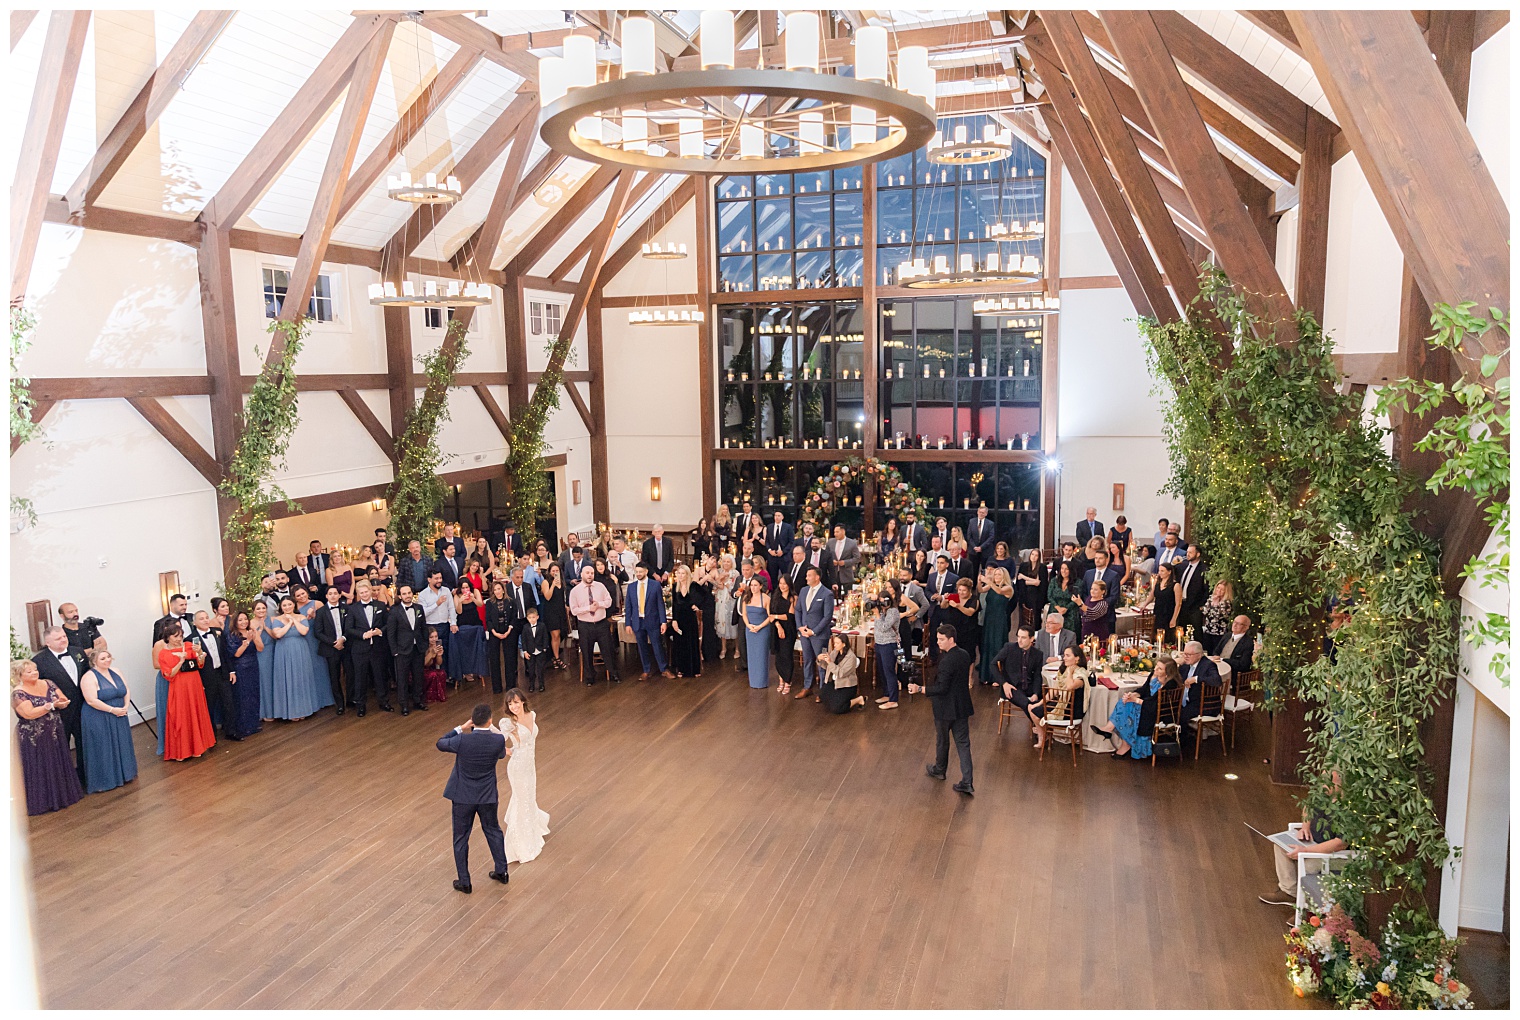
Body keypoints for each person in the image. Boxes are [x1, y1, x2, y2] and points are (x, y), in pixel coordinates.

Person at [437, 703, 510, 894]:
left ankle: (465, 881)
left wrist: (460, 728)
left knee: (461, 838)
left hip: (462, 797)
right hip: (487, 796)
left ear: (472, 721)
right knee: (493, 830)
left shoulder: (462, 740)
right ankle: (502, 871)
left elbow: (440, 742)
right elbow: (501, 755)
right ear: (490, 720)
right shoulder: (497, 741)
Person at [908, 625, 975, 795]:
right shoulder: (964, 655)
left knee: (942, 741)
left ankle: (940, 770)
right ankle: (967, 781)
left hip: (945, 709)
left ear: (951, 639)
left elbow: (942, 688)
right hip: (961, 707)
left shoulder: (946, 661)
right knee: (963, 744)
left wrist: (920, 689)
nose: (938, 642)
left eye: (941, 639)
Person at [12, 658, 85, 813]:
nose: (34, 673)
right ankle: (43, 802)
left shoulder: (48, 683)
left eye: (35, 670)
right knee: (40, 766)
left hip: (54, 730)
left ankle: (62, 796)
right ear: (20, 675)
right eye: (29, 671)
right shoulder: (18, 693)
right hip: (34, 735)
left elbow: (63, 699)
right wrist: (50, 706)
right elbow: (29, 714)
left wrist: (61, 703)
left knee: (56, 761)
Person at [1260, 797, 1348, 909]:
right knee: (1281, 847)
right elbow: (1308, 806)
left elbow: (1340, 844)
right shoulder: (1322, 789)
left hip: (1334, 854)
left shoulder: (1350, 806)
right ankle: (1289, 893)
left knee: (1308, 865)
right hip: (1311, 842)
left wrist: (1305, 851)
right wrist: (1305, 826)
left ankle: (1305, 907)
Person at [498, 687, 551, 865]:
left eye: (516, 702)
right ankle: (519, 843)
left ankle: (532, 827)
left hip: (530, 765)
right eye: (510, 704)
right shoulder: (508, 723)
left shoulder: (532, 715)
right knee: (521, 800)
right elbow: (497, 742)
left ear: (523, 701)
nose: (514, 706)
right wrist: (509, 751)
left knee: (529, 797)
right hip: (518, 767)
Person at [1093, 657, 1181, 760]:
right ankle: (1113, 732)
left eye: (1160, 669)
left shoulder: (1171, 684)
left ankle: (1119, 739)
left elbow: (1155, 705)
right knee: (1124, 702)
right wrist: (1133, 694)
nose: (1156, 669)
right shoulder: (1153, 676)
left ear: (1168, 673)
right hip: (1148, 707)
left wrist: (1136, 700)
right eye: (1156, 666)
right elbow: (1143, 690)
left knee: (1130, 708)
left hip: (1159, 713)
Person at [33, 627, 89, 784]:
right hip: (59, 712)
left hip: (82, 707)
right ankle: (65, 782)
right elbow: (39, 688)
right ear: (48, 642)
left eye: (64, 636)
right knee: (60, 746)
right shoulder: (39, 661)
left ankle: (85, 777)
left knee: (84, 743)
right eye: (59, 638)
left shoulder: (77, 651)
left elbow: (86, 674)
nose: (64, 639)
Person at [78, 648, 138, 794]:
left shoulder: (116, 671)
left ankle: (124, 774)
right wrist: (113, 710)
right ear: (94, 662)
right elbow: (91, 700)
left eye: (108, 657)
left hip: (119, 714)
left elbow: (126, 689)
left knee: (121, 743)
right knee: (103, 746)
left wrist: (125, 706)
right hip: (99, 716)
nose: (107, 660)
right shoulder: (89, 677)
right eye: (103, 659)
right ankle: (105, 780)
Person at [157, 624, 215, 760]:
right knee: (180, 715)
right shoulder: (164, 654)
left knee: (195, 712)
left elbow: (200, 663)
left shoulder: (189, 645)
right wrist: (180, 661)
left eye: (180, 636)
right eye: (175, 636)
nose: (179, 639)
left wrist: (200, 652)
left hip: (194, 684)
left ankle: (198, 746)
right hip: (178, 687)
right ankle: (182, 750)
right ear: (168, 638)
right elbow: (169, 674)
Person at [191, 609, 239, 740]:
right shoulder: (190, 639)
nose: (206, 620)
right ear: (194, 622)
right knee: (209, 707)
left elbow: (225, 654)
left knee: (228, 703)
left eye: (207, 617)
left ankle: (231, 731)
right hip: (206, 678)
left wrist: (231, 671)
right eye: (201, 618)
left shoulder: (217, 632)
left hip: (222, 673)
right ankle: (210, 735)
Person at [1029, 645, 1089, 752]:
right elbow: (1054, 691)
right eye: (1064, 655)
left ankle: (1043, 736)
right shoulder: (1063, 670)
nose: (1064, 658)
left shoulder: (1081, 673)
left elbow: (1070, 686)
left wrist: (1070, 673)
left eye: (1067, 655)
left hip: (1072, 709)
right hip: (1062, 703)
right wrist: (1039, 703)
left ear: (1077, 658)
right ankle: (1044, 735)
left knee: (1035, 712)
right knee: (1032, 708)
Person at [568, 565, 619, 685]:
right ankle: (590, 677)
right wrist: (588, 608)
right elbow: (574, 610)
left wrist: (599, 604)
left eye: (591, 573)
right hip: (585, 625)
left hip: (601, 623)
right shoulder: (575, 591)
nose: (590, 575)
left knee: (608, 650)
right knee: (586, 652)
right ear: (581, 574)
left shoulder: (600, 586)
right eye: (587, 573)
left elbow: (609, 601)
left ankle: (614, 673)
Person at [346, 583, 392, 716]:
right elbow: (349, 629)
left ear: (371, 591)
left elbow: (388, 623)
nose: (364, 594)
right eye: (361, 593)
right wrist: (362, 635)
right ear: (358, 594)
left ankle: (384, 702)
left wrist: (380, 631)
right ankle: (360, 706)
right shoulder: (353, 609)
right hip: (360, 649)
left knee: (380, 676)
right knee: (360, 678)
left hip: (378, 647)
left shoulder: (380, 606)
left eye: (366, 592)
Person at [625, 563, 675, 680]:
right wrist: (628, 623)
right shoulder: (631, 587)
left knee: (657, 645)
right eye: (636, 572)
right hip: (638, 621)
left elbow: (660, 605)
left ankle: (664, 669)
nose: (638, 574)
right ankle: (646, 670)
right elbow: (628, 607)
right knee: (642, 647)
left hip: (653, 621)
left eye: (640, 572)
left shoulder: (655, 585)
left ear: (646, 571)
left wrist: (663, 622)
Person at [387, 584, 430, 713]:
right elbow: (391, 633)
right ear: (399, 596)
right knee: (402, 679)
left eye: (409, 593)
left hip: (418, 649)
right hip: (402, 650)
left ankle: (417, 701)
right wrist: (394, 651)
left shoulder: (419, 608)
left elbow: (424, 628)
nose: (407, 596)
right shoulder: (394, 611)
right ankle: (404, 705)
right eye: (404, 594)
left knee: (418, 676)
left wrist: (425, 644)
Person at [794, 566, 834, 699]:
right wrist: (800, 627)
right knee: (807, 660)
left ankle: (822, 691)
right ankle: (807, 687)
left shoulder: (826, 593)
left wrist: (814, 631)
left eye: (809, 575)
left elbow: (827, 617)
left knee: (821, 663)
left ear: (817, 577)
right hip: (804, 634)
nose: (806, 578)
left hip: (819, 635)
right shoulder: (804, 591)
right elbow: (798, 610)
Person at [312, 585, 350, 715]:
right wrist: (334, 643)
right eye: (330, 593)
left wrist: (343, 639)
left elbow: (350, 627)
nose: (333, 596)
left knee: (350, 674)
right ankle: (339, 704)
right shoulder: (321, 611)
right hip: (330, 648)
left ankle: (351, 700)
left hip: (346, 646)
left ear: (340, 595)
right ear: (326, 596)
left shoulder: (347, 608)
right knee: (335, 677)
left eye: (335, 593)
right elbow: (318, 632)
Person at [226, 611, 265, 736]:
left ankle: (253, 724)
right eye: (240, 620)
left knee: (254, 694)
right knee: (242, 697)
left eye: (245, 619)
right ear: (235, 622)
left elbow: (260, 648)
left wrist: (255, 636)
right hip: (241, 667)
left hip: (253, 665)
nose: (244, 622)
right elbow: (236, 654)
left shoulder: (251, 631)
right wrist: (247, 641)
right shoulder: (232, 635)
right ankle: (243, 727)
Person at [975, 567, 1014, 685]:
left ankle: (998, 677)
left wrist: (989, 581)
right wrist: (979, 581)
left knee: (997, 645)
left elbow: (999, 591)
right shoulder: (991, 586)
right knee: (987, 645)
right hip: (989, 619)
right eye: (995, 574)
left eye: (999, 575)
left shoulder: (1008, 588)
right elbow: (981, 590)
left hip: (999, 620)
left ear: (1004, 576)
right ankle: (986, 674)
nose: (996, 577)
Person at [1177, 640, 1223, 737]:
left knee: (1180, 715)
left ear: (1199, 655)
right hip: (1188, 701)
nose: (1186, 657)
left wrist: (1196, 679)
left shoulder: (1208, 665)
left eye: (1189, 654)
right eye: (1184, 654)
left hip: (1204, 704)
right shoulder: (1185, 664)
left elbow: (1217, 680)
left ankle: (1183, 743)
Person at [994, 626, 1042, 710]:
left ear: (1032, 639)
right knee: (1030, 706)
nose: (1019, 640)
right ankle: (1036, 718)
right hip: (1012, 687)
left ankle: (1036, 719)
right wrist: (1004, 683)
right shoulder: (1009, 648)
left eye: (1023, 637)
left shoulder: (1038, 654)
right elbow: (993, 664)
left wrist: (1036, 693)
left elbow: (1037, 676)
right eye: (1018, 636)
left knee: (1045, 701)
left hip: (1029, 687)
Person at [452, 579, 489, 686]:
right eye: (463, 588)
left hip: (475, 622)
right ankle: (467, 671)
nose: (465, 590)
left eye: (467, 587)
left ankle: (479, 669)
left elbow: (481, 605)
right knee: (465, 648)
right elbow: (459, 611)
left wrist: (472, 598)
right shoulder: (457, 596)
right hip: (463, 624)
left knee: (479, 646)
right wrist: (460, 601)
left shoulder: (475, 591)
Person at [817, 633, 865, 714]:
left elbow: (841, 673)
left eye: (837, 643)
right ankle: (837, 700)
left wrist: (830, 662)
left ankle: (858, 700)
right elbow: (827, 667)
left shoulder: (851, 657)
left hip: (846, 685)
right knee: (822, 695)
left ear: (843, 644)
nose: (834, 645)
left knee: (837, 708)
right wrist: (820, 659)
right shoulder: (835, 652)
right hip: (835, 682)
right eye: (834, 643)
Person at [670, 563, 703, 678]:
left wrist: (697, 605)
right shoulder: (675, 587)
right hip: (679, 618)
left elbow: (704, 596)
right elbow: (674, 604)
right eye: (678, 573)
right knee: (680, 644)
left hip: (690, 618)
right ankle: (681, 669)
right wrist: (674, 620)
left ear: (687, 574)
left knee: (692, 643)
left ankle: (695, 669)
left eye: (683, 573)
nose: (680, 575)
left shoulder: (693, 586)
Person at [924, 556, 959, 662]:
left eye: (942, 563)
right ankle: (933, 657)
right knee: (933, 632)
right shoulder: (932, 576)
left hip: (947, 609)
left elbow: (956, 594)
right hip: (934, 608)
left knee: (948, 631)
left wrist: (943, 597)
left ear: (947, 564)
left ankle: (948, 655)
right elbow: (927, 590)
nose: (939, 565)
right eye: (938, 563)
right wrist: (932, 596)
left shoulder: (954, 578)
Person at [741, 576, 773, 691]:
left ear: (760, 586)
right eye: (752, 585)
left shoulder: (766, 599)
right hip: (750, 630)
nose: (753, 588)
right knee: (752, 655)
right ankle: (753, 680)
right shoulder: (746, 597)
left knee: (761, 655)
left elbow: (770, 617)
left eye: (756, 585)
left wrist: (759, 626)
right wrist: (749, 625)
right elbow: (744, 614)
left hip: (762, 630)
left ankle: (762, 681)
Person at [871, 592, 901, 710]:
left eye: (884, 601)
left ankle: (893, 700)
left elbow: (884, 627)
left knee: (889, 671)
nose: (882, 604)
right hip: (879, 644)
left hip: (889, 644)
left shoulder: (893, 611)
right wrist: (870, 596)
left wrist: (878, 615)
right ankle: (887, 694)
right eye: (880, 601)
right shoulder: (882, 610)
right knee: (882, 671)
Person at [484, 581, 515, 695]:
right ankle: (497, 687)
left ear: (503, 589)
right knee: (494, 659)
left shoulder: (511, 601)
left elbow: (513, 617)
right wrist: (494, 632)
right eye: (495, 589)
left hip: (508, 631)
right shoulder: (489, 603)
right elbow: (488, 620)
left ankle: (511, 685)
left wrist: (509, 630)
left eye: (498, 589)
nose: (497, 591)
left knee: (509, 658)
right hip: (494, 633)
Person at [538, 563, 569, 670]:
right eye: (553, 571)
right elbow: (547, 597)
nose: (555, 573)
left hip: (560, 610)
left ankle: (554, 656)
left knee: (560, 634)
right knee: (555, 635)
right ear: (549, 571)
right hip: (551, 612)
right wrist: (553, 585)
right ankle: (556, 658)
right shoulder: (546, 582)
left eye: (557, 571)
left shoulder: (562, 582)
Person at [770, 574, 797, 695]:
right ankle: (781, 679)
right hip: (777, 627)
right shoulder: (775, 596)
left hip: (789, 629)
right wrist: (777, 624)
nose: (782, 586)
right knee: (778, 655)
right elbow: (771, 614)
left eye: (784, 584)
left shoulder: (793, 598)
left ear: (789, 584)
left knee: (786, 654)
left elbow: (790, 616)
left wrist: (775, 617)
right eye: (780, 583)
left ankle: (787, 681)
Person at [251, 601, 276, 722]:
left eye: (263, 608)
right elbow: (254, 640)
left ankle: (277, 709)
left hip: (273, 651)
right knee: (264, 681)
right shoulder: (251, 623)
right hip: (261, 653)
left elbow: (276, 636)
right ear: (254, 611)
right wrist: (260, 629)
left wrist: (266, 627)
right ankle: (265, 711)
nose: (261, 610)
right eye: (258, 608)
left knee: (274, 680)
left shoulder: (272, 620)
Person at [711, 554, 739, 659]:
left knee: (733, 624)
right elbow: (714, 587)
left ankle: (737, 648)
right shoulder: (718, 572)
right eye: (724, 561)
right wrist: (719, 580)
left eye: (728, 561)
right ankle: (723, 648)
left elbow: (735, 588)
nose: (726, 563)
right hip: (720, 600)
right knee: (721, 623)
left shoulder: (735, 573)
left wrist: (726, 583)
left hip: (731, 600)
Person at [1176, 545, 1208, 638]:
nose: (1188, 554)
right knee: (1181, 630)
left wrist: (1201, 606)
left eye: (1190, 552)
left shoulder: (1204, 570)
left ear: (1198, 554)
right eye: (1187, 552)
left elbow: (1206, 590)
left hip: (1195, 606)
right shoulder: (1183, 565)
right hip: (1181, 604)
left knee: (1196, 631)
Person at [1145, 562, 1182, 641]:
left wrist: (1174, 619)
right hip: (1158, 613)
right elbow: (1152, 595)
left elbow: (1178, 604)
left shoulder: (1176, 585)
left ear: (1169, 572)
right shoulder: (1157, 583)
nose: (1159, 573)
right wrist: (1144, 605)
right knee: (1156, 636)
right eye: (1159, 571)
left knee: (1168, 638)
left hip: (1169, 614)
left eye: (1162, 571)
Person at [1013, 548, 1047, 633]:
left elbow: (1042, 584)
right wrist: (1033, 581)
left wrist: (1025, 578)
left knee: (1035, 620)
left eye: (1036, 555)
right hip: (1024, 596)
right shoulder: (1023, 566)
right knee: (1023, 619)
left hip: (1036, 598)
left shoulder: (1042, 567)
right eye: (1032, 554)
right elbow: (1019, 582)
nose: (1034, 557)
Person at [518, 606, 550, 694]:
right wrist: (524, 651)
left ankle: (541, 685)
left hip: (540, 651)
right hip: (530, 652)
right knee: (531, 670)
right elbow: (523, 640)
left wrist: (544, 648)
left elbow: (545, 637)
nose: (532, 619)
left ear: (537, 617)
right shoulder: (525, 627)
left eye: (533, 617)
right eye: (530, 618)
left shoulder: (542, 626)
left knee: (540, 669)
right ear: (527, 618)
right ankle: (531, 685)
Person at [949, 577, 981, 667]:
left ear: (969, 590)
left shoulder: (975, 599)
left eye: (964, 590)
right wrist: (945, 599)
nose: (961, 592)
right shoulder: (954, 596)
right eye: (959, 590)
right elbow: (943, 606)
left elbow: (970, 612)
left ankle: (970, 677)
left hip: (969, 631)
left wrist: (958, 606)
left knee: (969, 654)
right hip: (956, 629)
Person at [1047, 560, 1080, 637]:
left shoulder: (1078, 582)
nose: (1063, 571)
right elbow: (1049, 596)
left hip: (1070, 611)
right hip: (1055, 609)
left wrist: (1066, 608)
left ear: (1071, 570)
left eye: (1066, 569)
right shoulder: (1054, 581)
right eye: (1062, 568)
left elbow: (1077, 597)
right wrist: (1058, 608)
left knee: (1069, 635)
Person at [1201, 581, 1235, 654]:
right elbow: (1204, 612)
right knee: (1207, 651)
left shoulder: (1226, 603)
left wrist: (1216, 605)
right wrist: (1212, 602)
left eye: (1222, 589)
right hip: (1208, 630)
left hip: (1219, 633)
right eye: (1218, 588)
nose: (1218, 591)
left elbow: (1218, 617)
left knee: (1216, 653)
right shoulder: (1211, 598)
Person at [1080, 580, 1114, 645]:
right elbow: (1082, 612)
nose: (1092, 591)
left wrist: (1080, 604)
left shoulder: (1103, 604)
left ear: (1103, 591)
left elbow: (1092, 613)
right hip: (1086, 631)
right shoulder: (1089, 598)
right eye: (1091, 588)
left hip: (1098, 634)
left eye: (1095, 589)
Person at [828, 524, 860, 590]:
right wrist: (831, 561)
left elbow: (857, 558)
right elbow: (826, 555)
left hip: (847, 574)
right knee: (835, 597)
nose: (835, 534)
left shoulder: (852, 543)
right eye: (834, 532)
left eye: (837, 532)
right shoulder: (830, 542)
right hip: (834, 575)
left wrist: (845, 562)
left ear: (843, 531)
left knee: (848, 596)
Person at [764, 511, 794, 581]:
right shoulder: (769, 527)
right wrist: (769, 550)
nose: (777, 517)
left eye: (779, 516)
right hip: (772, 557)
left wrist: (783, 551)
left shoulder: (788, 527)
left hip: (784, 557)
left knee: (785, 577)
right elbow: (767, 541)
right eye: (775, 516)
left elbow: (791, 542)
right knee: (773, 578)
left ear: (782, 517)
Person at [965, 504, 996, 571]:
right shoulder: (972, 521)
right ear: (977, 512)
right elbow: (969, 536)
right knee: (973, 571)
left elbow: (991, 537)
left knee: (986, 570)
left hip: (986, 551)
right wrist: (974, 547)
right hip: (973, 551)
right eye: (980, 512)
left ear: (986, 514)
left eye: (983, 513)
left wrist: (981, 547)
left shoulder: (990, 524)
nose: (981, 514)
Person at [422, 628, 449, 704]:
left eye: (436, 636)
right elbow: (424, 664)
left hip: (431, 669)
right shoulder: (423, 647)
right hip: (421, 670)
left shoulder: (437, 646)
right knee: (432, 675)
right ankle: (429, 696)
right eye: (431, 637)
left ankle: (438, 695)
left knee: (442, 673)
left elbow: (439, 663)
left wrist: (439, 655)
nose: (434, 639)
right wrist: (431, 654)